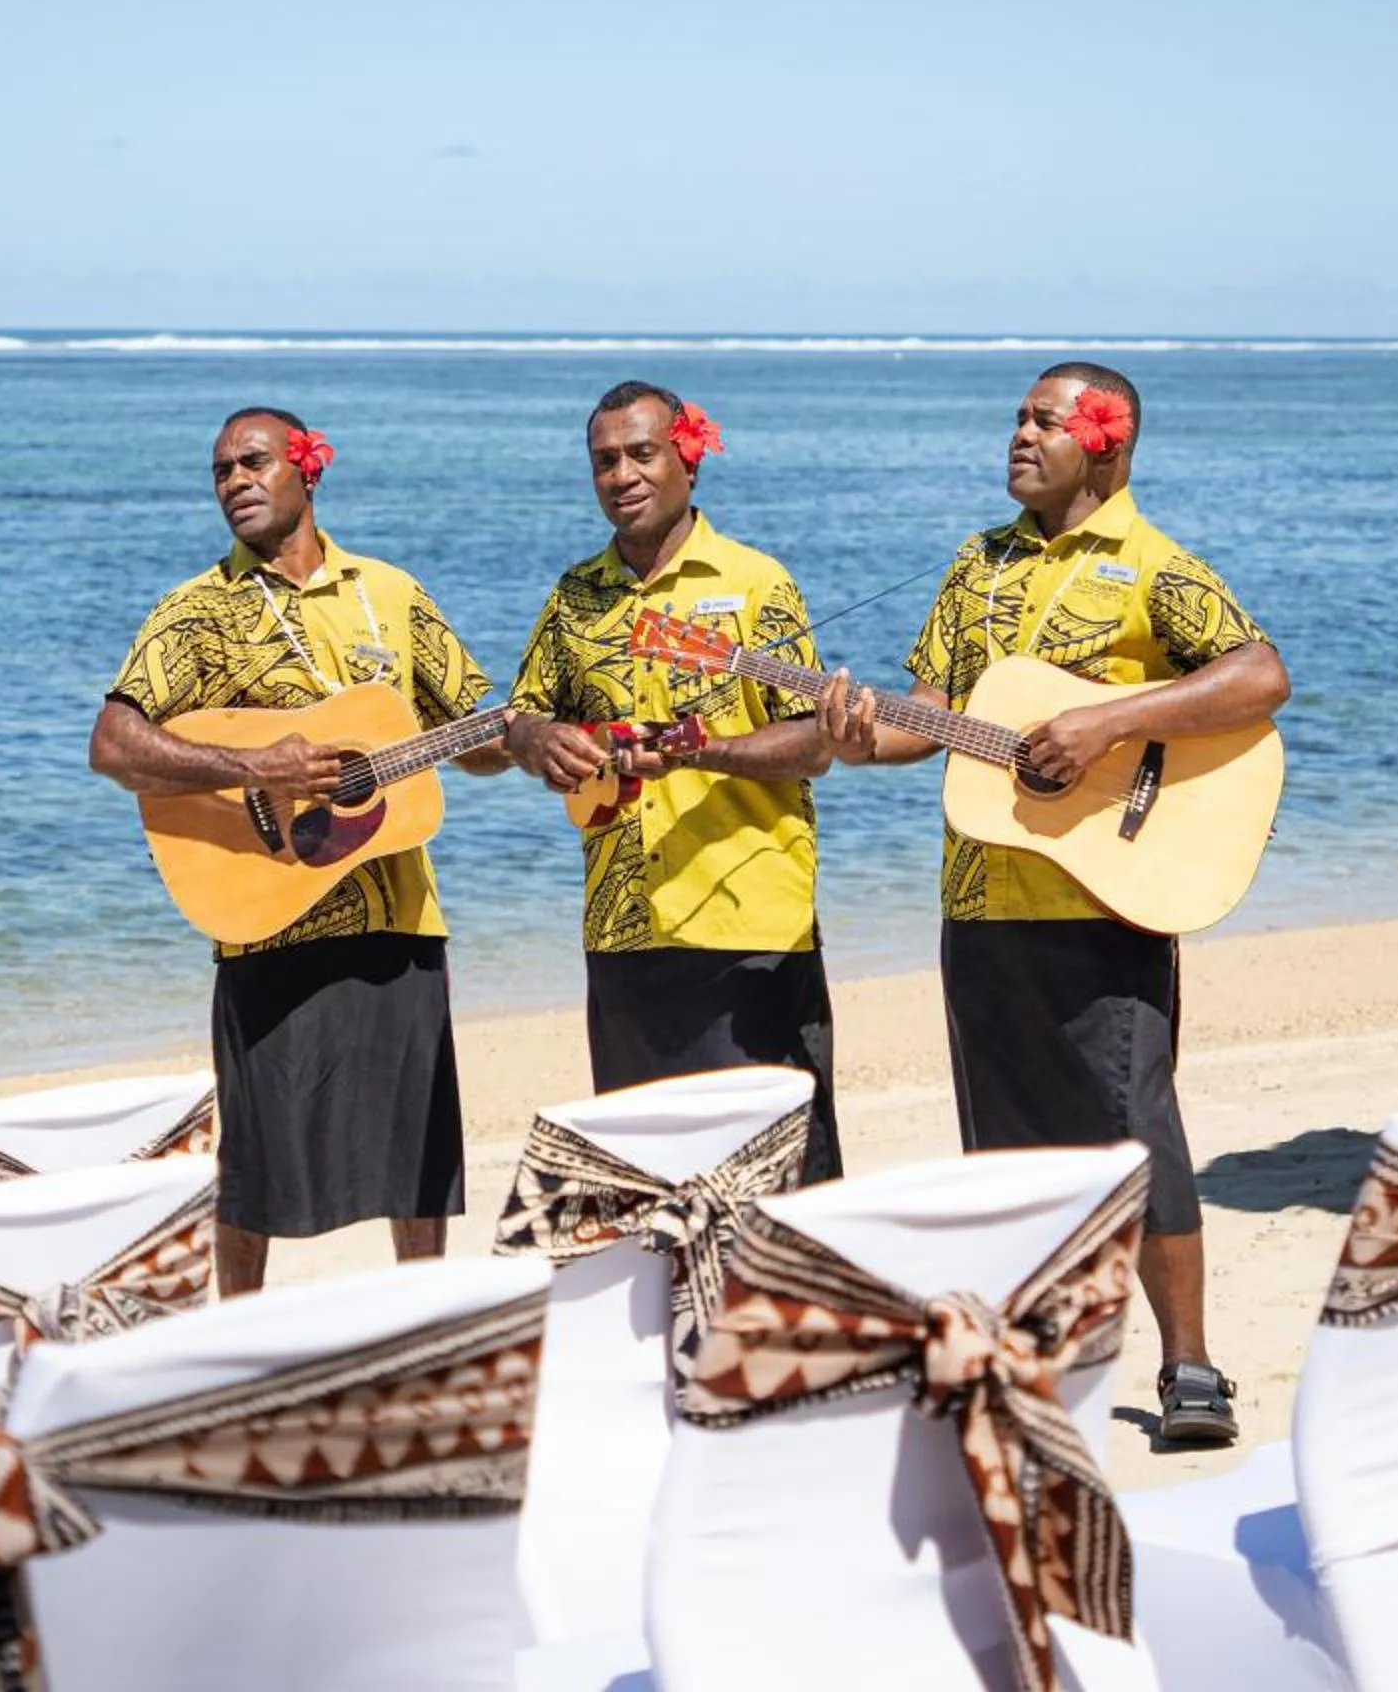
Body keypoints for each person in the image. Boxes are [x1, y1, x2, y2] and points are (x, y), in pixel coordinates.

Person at [818, 362, 1288, 1445]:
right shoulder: (975, 565)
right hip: (982, 897)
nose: (1019, 433)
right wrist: (855, 730)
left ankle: (1190, 1367)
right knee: (1004, 1144)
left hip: (1109, 895)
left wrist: (1112, 723)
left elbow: (1259, 674)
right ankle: (1031, 1355)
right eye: (1017, 416)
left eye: (1046, 419)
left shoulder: (1153, 568)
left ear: (1108, 440)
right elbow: (924, 715)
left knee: (1137, 1129)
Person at [89, 407, 510, 1295]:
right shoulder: (195, 613)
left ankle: (420, 1313)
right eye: (219, 472)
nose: (235, 482)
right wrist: (255, 764)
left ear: (307, 469)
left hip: (396, 916)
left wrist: (533, 729)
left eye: (253, 462)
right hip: (266, 922)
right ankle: (240, 1331)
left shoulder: (390, 595)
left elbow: (478, 732)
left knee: (415, 1155)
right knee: (256, 1167)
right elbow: (115, 745)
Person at [503, 381, 843, 1181]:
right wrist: (538, 738)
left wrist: (703, 753)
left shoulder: (757, 582)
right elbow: (515, 719)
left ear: (688, 459)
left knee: (778, 1189)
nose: (621, 474)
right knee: (646, 1185)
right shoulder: (574, 596)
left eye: (641, 454)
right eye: (604, 461)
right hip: (622, 932)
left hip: (749, 930)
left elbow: (812, 742)